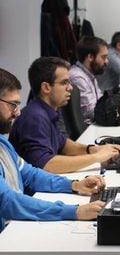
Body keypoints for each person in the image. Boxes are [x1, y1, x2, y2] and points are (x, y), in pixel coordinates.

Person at [0, 67, 105, 232]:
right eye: (13, 105)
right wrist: (73, 211)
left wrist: (74, 185)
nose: (18, 112)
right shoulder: (34, 117)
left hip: (13, 227)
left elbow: (30, 174)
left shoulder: (2, 143)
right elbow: (7, 201)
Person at [9, 57, 120, 174]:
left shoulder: (45, 111)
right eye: (64, 83)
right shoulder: (34, 118)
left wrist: (93, 149)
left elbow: (62, 144)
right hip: (34, 191)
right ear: (46, 87)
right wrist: (97, 157)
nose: (70, 88)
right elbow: (46, 165)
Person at [69, 36, 120, 125]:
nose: (107, 61)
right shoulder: (77, 77)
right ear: (90, 57)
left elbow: (100, 102)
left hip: (96, 125)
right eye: (103, 57)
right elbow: (90, 112)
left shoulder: (89, 74)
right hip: (87, 131)